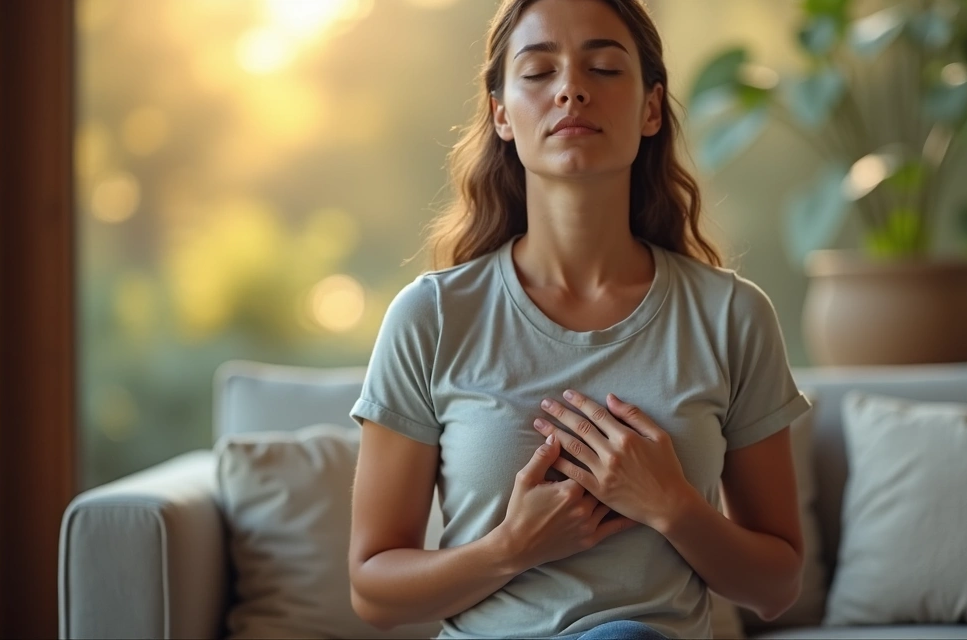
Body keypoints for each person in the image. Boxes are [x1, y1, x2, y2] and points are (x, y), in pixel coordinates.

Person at [347, 0, 811, 638]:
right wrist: (511, 547)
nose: (571, 89)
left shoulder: (731, 316)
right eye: (538, 73)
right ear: (501, 113)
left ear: (651, 108)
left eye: (602, 67)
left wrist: (672, 505)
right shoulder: (431, 318)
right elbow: (374, 591)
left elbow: (777, 586)